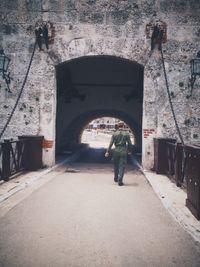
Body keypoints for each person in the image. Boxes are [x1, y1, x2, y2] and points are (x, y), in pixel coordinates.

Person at [105, 122, 132, 186]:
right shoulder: (126, 134)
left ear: (118, 126)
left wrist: (107, 151)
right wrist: (129, 150)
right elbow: (129, 143)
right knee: (122, 166)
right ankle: (120, 180)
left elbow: (111, 143)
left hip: (116, 151)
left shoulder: (114, 133)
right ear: (124, 126)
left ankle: (116, 177)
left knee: (116, 165)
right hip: (123, 151)